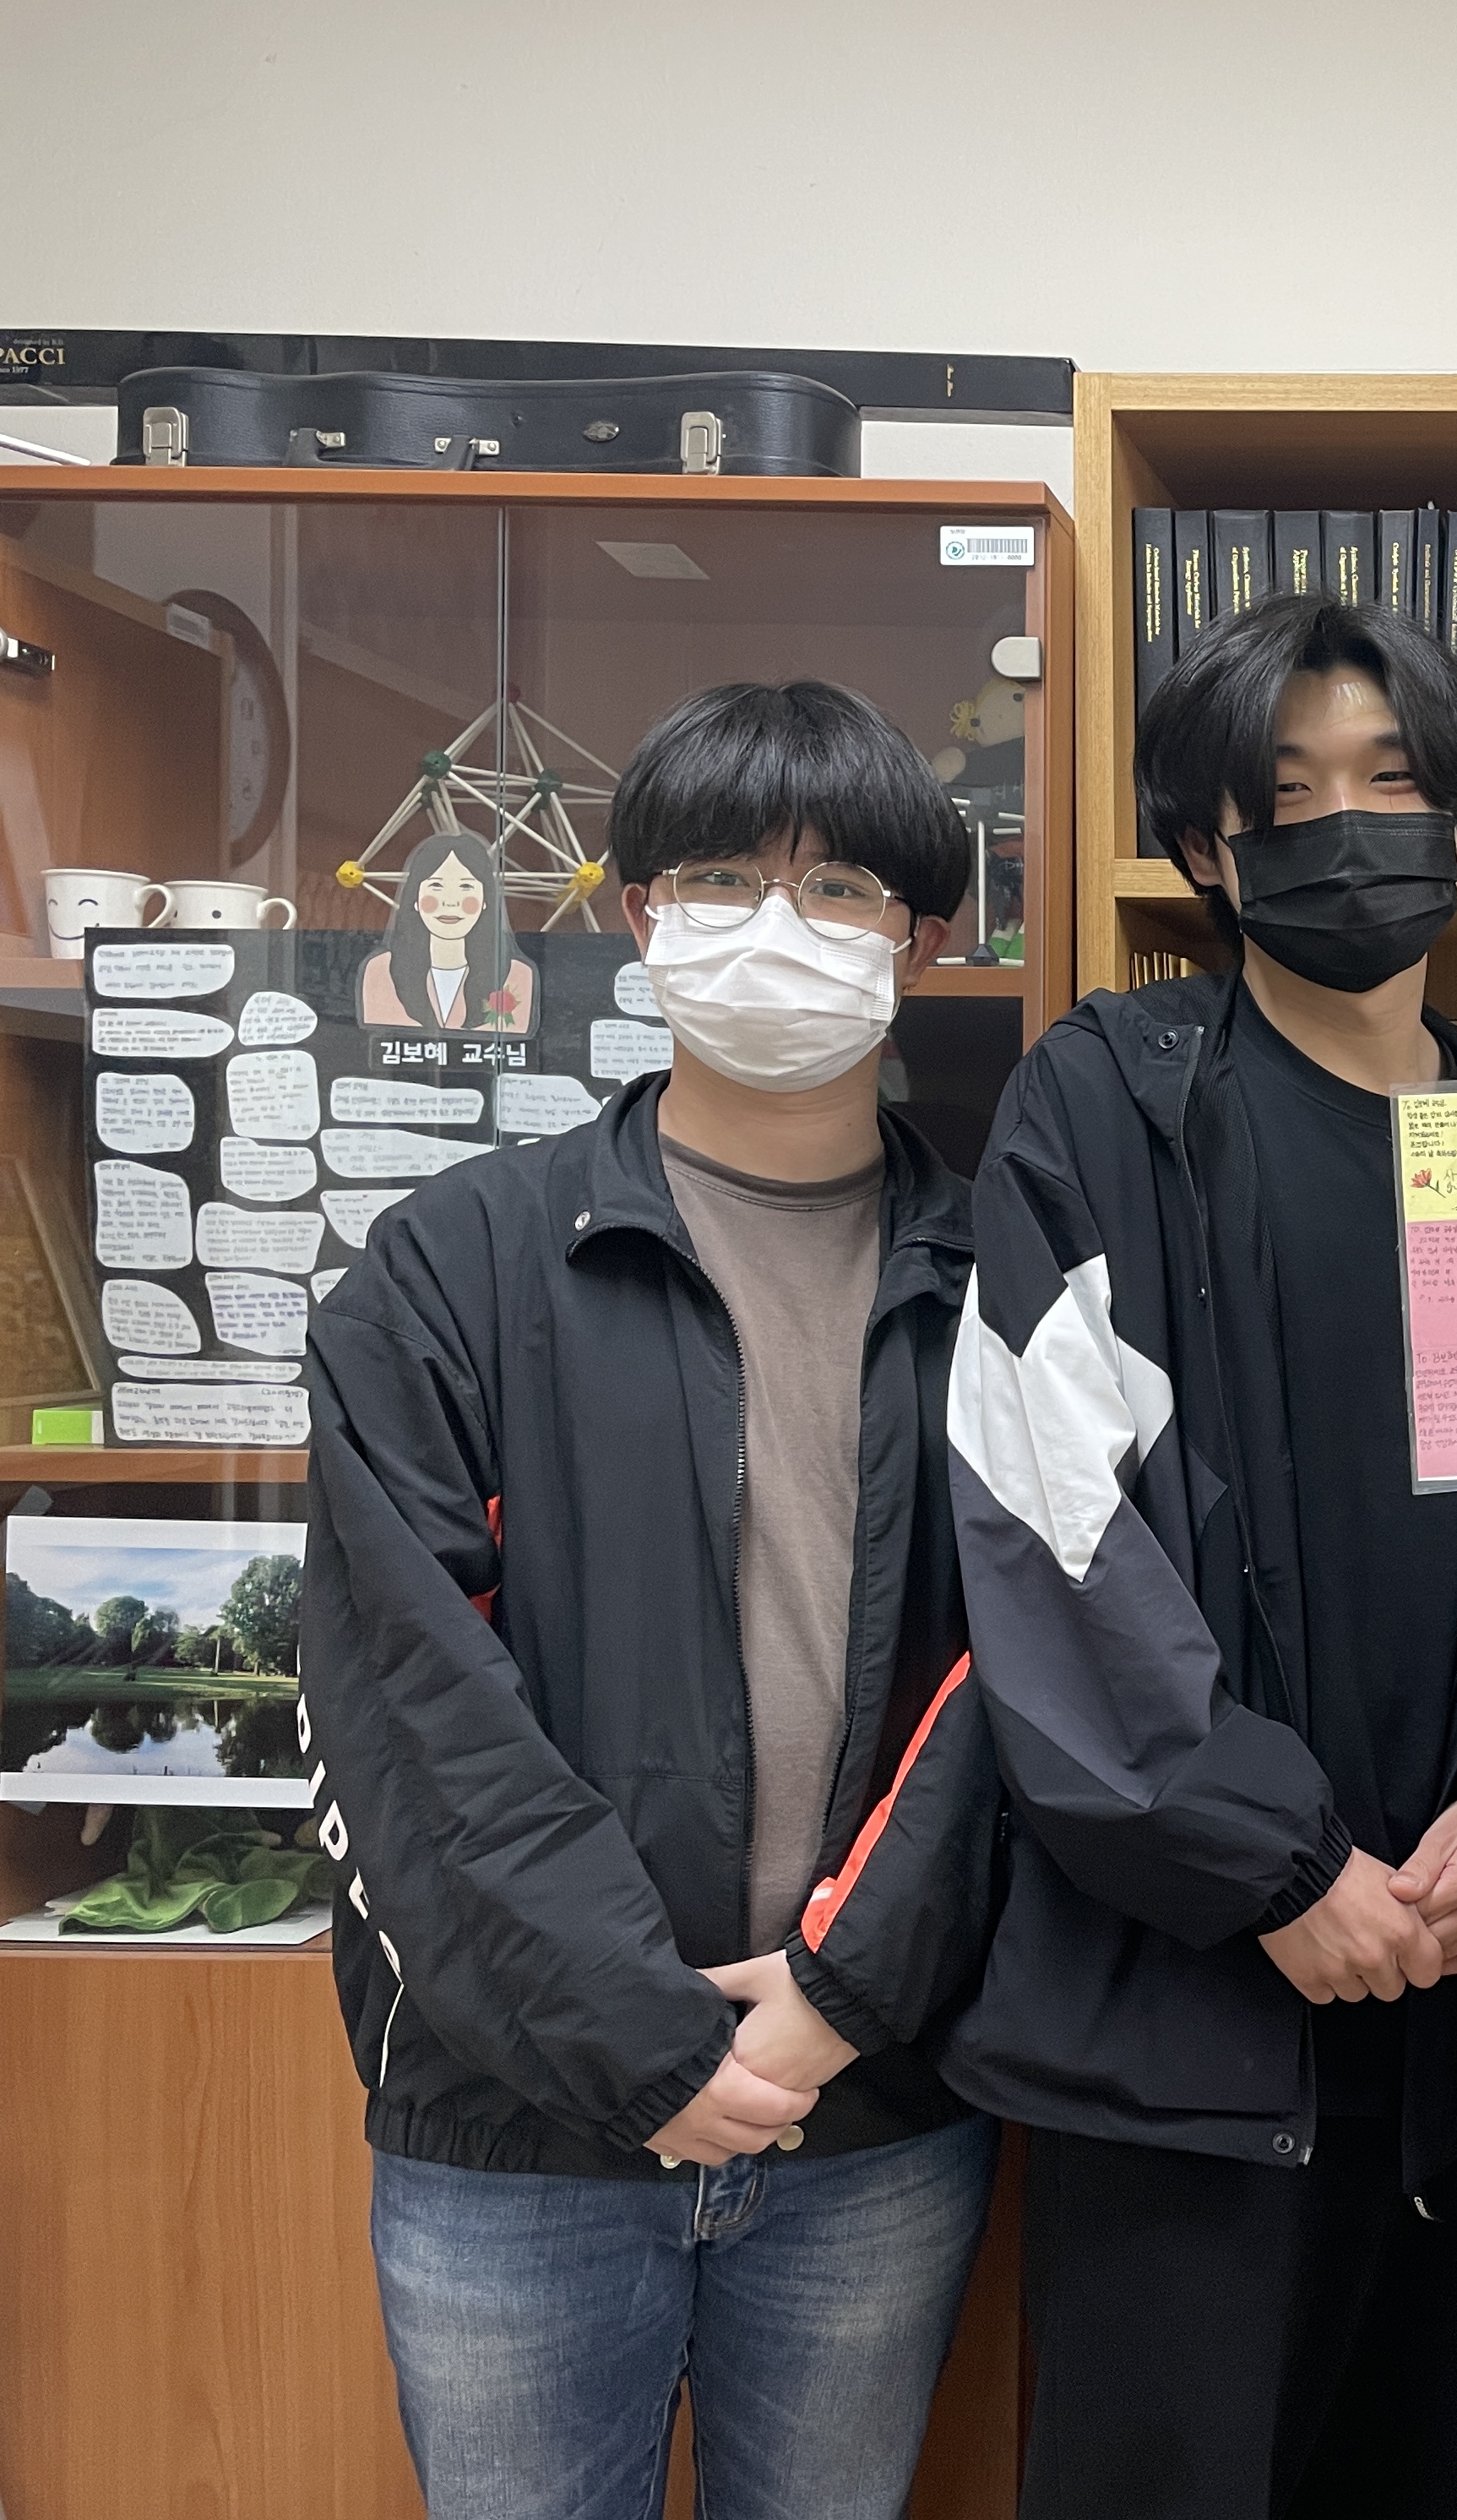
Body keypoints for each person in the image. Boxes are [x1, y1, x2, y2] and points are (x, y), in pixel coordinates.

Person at [921, 591, 1457, 2519]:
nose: (1349, 827)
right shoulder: (1109, 1097)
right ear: (1208, 846)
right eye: (1289, 795)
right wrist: (1277, 1864)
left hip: (1454, 2011)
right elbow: (1046, 1518)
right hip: (1188, 2016)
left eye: (1392, 781)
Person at [300, 679, 995, 2519]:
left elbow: (1037, 1681)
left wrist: (835, 1999)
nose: (777, 926)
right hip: (517, 2132)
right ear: (636, 914)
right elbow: (408, 1704)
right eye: (718, 879)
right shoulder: (450, 1268)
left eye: (838, 886)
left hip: (866, 2113)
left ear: (923, 937)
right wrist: (648, 2045)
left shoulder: (1007, 1284)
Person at [359, 831, 539, 1030]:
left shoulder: (516, 974)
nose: (450, 902)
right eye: (436, 886)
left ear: (485, 901)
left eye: (466, 887)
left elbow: (508, 1036)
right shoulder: (381, 969)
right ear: (415, 899)